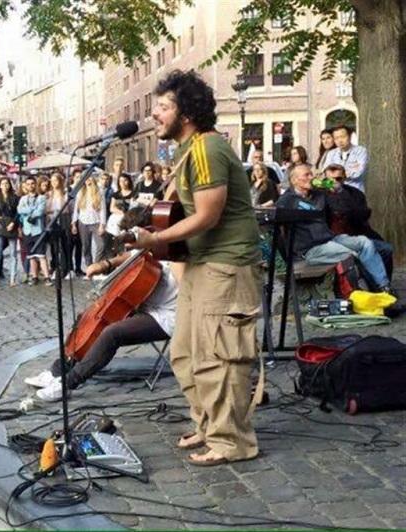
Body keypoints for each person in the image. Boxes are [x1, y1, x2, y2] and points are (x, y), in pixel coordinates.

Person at [132, 70, 263, 466]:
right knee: (186, 353)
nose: (155, 114)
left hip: (225, 266)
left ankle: (232, 442)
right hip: (200, 264)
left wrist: (155, 240)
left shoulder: (206, 149)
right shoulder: (188, 151)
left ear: (186, 112)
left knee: (217, 357)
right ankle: (207, 426)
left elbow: (207, 215)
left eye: (164, 107)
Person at [26, 253, 179, 401]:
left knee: (112, 333)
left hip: (167, 317)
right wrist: (105, 264)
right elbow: (133, 254)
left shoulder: (181, 257)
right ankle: (58, 371)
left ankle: (67, 384)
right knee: (89, 320)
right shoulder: (154, 246)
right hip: (144, 305)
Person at [277, 164, 392, 294]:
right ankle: (357, 294)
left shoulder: (319, 194)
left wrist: (339, 191)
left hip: (330, 239)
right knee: (351, 254)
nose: (311, 177)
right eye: (306, 175)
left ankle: (384, 288)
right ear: (294, 181)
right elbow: (272, 222)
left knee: (365, 242)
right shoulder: (287, 200)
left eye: (311, 174)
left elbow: (344, 210)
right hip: (309, 249)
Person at [323, 164, 393, 279]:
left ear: (344, 178)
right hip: (331, 238)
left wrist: (342, 197)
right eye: (329, 179)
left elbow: (362, 215)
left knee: (385, 249)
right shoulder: (319, 194)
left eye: (338, 179)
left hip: (355, 233)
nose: (333, 182)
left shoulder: (354, 194)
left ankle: (383, 285)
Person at [17, 176, 52, 285]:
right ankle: (34, 276)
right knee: (31, 255)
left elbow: (40, 211)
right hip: (27, 231)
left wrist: (28, 212)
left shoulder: (41, 198)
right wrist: (32, 209)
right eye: (28, 184)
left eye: (32, 183)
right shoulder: (23, 199)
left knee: (41, 255)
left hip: (38, 230)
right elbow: (19, 210)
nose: (30, 186)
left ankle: (47, 277)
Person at [0, 176, 20, 288]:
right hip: (0, 226)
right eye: (2, 184)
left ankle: (12, 279)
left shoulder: (15, 198)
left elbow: (18, 213)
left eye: (7, 183)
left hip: (11, 226)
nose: (5, 186)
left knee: (13, 254)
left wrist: (14, 223)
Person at [72, 175, 107, 269]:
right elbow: (76, 209)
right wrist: (74, 223)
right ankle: (89, 266)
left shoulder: (99, 191)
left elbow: (103, 209)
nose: (87, 180)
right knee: (86, 247)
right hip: (83, 222)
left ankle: (97, 265)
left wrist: (102, 224)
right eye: (85, 178)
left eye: (89, 178)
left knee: (101, 245)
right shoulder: (80, 192)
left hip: (96, 221)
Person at [323, 125, 368, 192]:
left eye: (342, 137)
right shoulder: (331, 153)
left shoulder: (360, 151)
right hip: (336, 192)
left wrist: (336, 175)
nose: (340, 141)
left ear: (350, 137)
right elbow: (327, 173)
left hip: (355, 192)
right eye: (336, 138)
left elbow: (358, 173)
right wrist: (349, 172)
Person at [45, 172, 73, 280]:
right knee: (54, 247)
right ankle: (55, 267)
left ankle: (68, 269)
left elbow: (70, 208)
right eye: (52, 181)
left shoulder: (65, 193)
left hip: (64, 220)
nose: (54, 183)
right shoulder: (48, 195)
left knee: (66, 245)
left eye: (56, 180)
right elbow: (46, 209)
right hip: (52, 221)